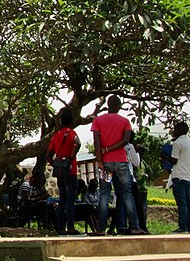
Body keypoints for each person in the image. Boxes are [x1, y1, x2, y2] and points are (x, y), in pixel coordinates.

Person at [91, 95, 145, 236]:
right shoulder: (125, 121)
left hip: (106, 164)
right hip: (121, 162)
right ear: (119, 106)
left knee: (104, 194)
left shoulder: (98, 120)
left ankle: (101, 229)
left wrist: (100, 160)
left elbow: (96, 141)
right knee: (127, 195)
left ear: (107, 105)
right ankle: (134, 226)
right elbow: (126, 140)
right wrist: (111, 149)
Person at [161, 121, 190, 233]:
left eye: (175, 129)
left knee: (181, 202)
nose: (173, 131)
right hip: (187, 176)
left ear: (179, 130)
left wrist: (164, 156)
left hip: (178, 175)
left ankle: (183, 226)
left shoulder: (177, 143)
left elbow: (174, 160)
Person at [46, 110, 81, 235]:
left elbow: (48, 155)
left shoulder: (56, 135)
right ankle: (70, 227)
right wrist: (71, 158)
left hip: (60, 171)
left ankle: (60, 227)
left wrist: (56, 163)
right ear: (71, 121)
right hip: (70, 171)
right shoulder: (71, 133)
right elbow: (78, 143)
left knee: (62, 199)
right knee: (70, 200)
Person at [133, 144, 150, 233]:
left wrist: (146, 176)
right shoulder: (134, 162)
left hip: (143, 189)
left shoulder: (143, 163)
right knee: (137, 208)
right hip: (137, 188)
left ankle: (143, 226)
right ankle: (137, 225)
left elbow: (150, 171)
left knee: (143, 209)